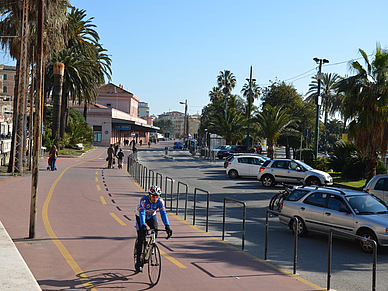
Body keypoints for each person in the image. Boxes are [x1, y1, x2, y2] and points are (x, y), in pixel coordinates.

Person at [135, 186, 172, 273]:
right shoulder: (144, 200)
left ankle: (151, 246)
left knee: (155, 230)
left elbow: (163, 213)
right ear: (149, 195)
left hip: (151, 216)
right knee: (141, 237)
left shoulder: (160, 201)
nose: (155, 199)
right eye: (153, 197)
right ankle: (138, 262)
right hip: (140, 217)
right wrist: (143, 225)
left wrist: (167, 226)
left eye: (156, 197)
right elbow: (142, 213)